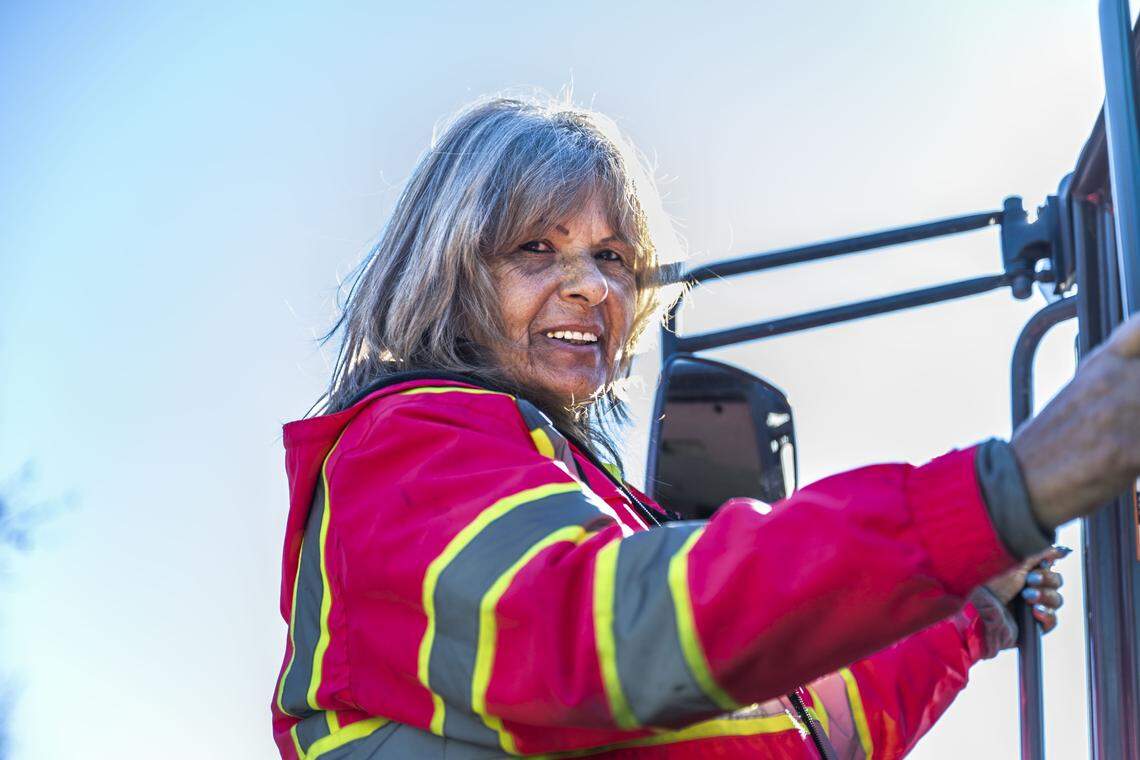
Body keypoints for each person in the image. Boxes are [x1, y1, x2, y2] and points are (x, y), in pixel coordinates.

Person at [271, 96, 1136, 759]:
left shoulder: (593, 501)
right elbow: (605, 634)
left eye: (613, 258)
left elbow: (802, 731)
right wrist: (1005, 490)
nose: (591, 288)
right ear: (449, 267)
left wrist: (969, 612)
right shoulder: (410, 449)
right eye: (538, 249)